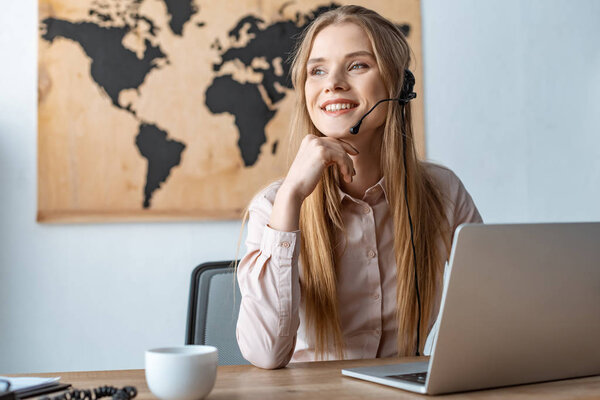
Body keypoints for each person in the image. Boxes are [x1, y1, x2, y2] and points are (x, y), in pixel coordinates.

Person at [235, 5, 482, 370]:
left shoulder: (442, 193)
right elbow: (265, 355)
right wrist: (290, 200)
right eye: (317, 70)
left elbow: (492, 307)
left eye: (357, 65)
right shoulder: (272, 206)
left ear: (399, 84)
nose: (332, 83)